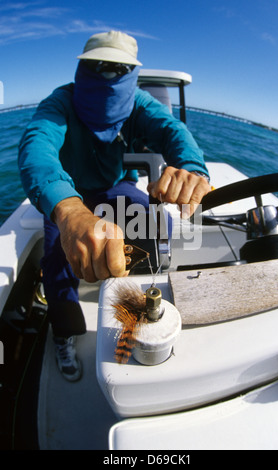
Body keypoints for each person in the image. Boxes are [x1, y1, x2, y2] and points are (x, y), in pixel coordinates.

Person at [18, 31, 210, 381]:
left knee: (149, 222)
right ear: (82, 68)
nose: (107, 74)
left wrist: (191, 168)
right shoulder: (60, 102)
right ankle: (64, 332)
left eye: (117, 68)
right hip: (69, 191)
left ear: (132, 74)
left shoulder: (140, 103)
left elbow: (172, 130)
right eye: (98, 66)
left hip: (115, 184)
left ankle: (134, 296)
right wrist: (69, 210)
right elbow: (37, 146)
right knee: (57, 253)